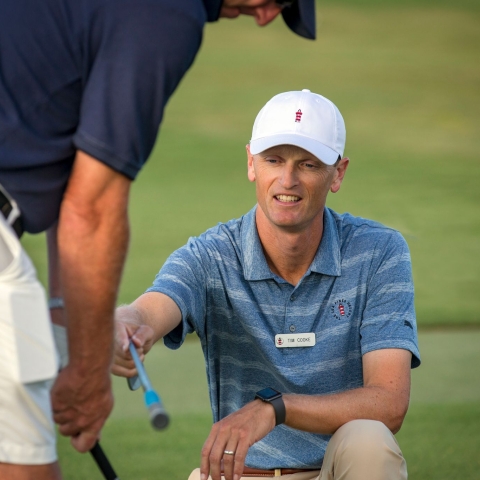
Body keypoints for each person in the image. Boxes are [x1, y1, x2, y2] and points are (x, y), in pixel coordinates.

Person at [0, 1, 317, 479]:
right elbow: (94, 210)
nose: (268, 16)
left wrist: (68, 323)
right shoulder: (167, 13)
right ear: (252, 163)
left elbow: (72, 186)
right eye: (279, 0)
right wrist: (88, 379)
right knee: (25, 465)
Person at [113, 89, 421, 480]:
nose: (287, 179)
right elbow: (153, 307)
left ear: (338, 173)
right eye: (273, 160)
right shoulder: (212, 255)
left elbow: (389, 402)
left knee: (369, 440)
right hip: (242, 475)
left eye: (308, 164)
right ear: (251, 163)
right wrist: (126, 322)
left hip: (335, 471)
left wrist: (274, 408)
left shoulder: (379, 251)